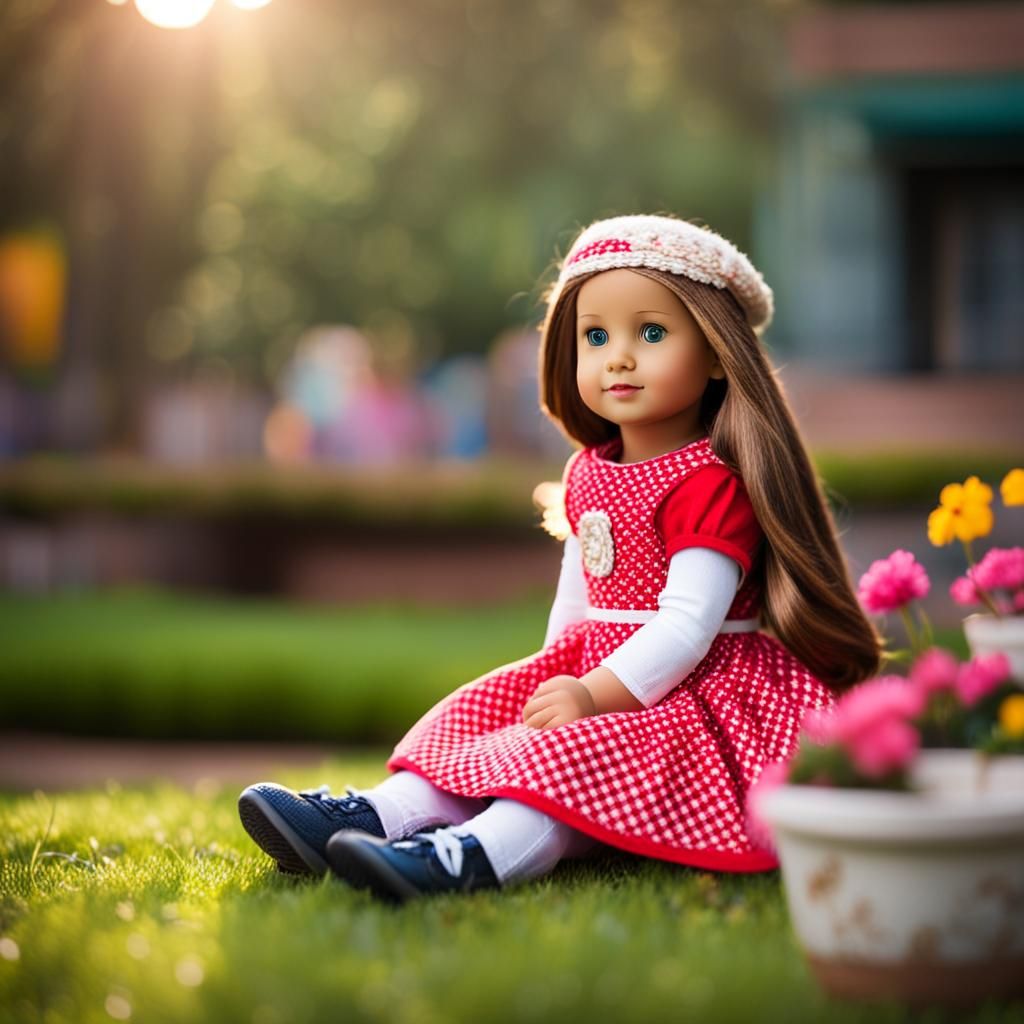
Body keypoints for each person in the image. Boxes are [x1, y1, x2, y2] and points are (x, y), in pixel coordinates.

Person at [237, 213, 883, 901]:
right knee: (480, 724)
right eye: (595, 337)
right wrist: (551, 672)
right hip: (594, 673)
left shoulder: (710, 484)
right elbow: (575, 601)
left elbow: (687, 628)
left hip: (692, 694)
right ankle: (381, 813)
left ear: (719, 355)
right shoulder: (588, 473)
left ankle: (468, 856)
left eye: (651, 334)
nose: (619, 358)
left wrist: (594, 695)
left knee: (566, 770)